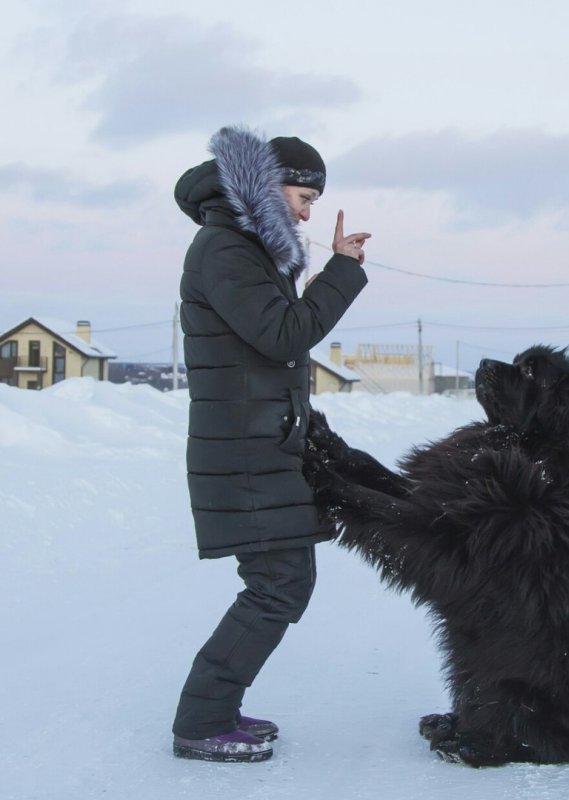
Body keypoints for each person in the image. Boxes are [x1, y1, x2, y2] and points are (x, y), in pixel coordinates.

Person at [171, 125, 370, 762]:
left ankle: (214, 710)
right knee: (279, 584)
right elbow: (284, 338)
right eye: (304, 195)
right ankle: (201, 722)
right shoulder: (226, 248)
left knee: (284, 580)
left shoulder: (248, 248)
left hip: (260, 442)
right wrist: (341, 273)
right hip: (245, 447)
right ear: (266, 185)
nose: (310, 209)